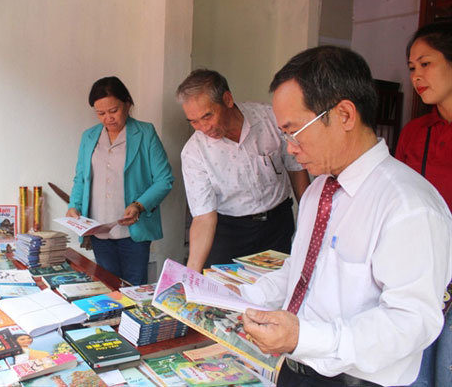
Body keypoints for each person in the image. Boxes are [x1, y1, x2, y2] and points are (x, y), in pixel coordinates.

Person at [239, 45, 452, 386]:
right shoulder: (318, 191)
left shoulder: (409, 206)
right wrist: (239, 300)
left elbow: (411, 322)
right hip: (296, 368)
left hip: (355, 379)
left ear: (345, 115)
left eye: (294, 131)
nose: (290, 148)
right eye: (284, 135)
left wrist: (306, 337)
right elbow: (301, 272)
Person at [176, 69, 310, 271]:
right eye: (194, 121)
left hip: (277, 225)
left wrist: (311, 219)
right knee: (223, 293)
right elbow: (204, 217)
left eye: (207, 116)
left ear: (227, 100)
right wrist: (191, 272)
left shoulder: (269, 119)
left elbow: (296, 168)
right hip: (229, 231)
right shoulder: (194, 153)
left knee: (277, 290)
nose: (204, 127)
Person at [67, 76, 173, 285]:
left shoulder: (145, 133)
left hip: (133, 230)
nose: (108, 118)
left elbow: (164, 179)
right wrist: (74, 206)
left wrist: (139, 205)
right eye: (101, 113)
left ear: (127, 104)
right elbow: (81, 178)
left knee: (134, 287)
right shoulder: (89, 137)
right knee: (108, 287)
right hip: (98, 229)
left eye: (113, 110)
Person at [396, 21, 452, 387]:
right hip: (420, 270)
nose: (417, 75)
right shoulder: (415, 132)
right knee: (413, 372)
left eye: (426, 63)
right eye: (412, 68)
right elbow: (395, 199)